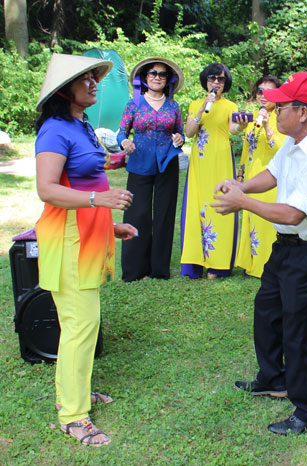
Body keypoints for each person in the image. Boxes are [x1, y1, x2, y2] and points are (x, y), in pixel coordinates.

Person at [212, 72, 307, 435]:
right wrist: (241, 185)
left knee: (299, 328)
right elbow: (273, 175)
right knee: (268, 310)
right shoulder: (296, 141)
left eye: (281, 105)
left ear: (303, 112)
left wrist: (241, 202)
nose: (273, 109)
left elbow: (294, 213)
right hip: (287, 246)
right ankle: (273, 378)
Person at [34, 53, 137, 446]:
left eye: (96, 78)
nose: (95, 84)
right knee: (79, 326)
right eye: (87, 80)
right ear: (65, 90)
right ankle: (73, 414)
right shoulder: (55, 130)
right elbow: (48, 189)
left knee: (85, 324)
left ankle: (77, 390)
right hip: (68, 239)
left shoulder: (82, 125)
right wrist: (100, 202)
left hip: (89, 236)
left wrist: (111, 227)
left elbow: (86, 179)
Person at [117, 57, 185, 282]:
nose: (157, 77)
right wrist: (124, 142)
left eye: (162, 74)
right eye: (153, 73)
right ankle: (135, 270)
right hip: (139, 163)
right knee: (138, 213)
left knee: (164, 214)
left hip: (167, 162)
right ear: (145, 78)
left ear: (168, 80)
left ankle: (159, 269)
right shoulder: (133, 104)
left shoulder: (174, 106)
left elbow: (180, 134)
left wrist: (179, 138)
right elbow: (121, 133)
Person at [180, 63, 239, 279]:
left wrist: (241, 125)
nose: (216, 82)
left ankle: (218, 265)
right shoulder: (196, 103)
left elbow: (234, 129)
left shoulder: (230, 105)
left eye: (221, 79)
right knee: (196, 205)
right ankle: (194, 263)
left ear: (226, 83)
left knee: (218, 205)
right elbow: (189, 132)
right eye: (212, 78)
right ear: (206, 80)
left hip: (220, 158)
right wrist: (203, 106)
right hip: (199, 161)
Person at [234, 75, 286, 278]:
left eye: (269, 92)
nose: (263, 96)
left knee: (266, 220)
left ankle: (268, 265)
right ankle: (252, 264)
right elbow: (247, 148)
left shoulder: (283, 117)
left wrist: (267, 127)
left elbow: (282, 150)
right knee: (251, 217)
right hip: (252, 174)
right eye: (260, 91)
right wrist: (240, 175)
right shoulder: (252, 117)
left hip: (271, 176)